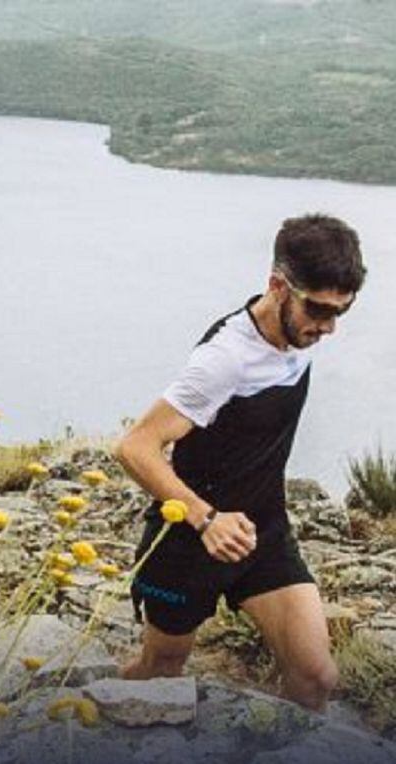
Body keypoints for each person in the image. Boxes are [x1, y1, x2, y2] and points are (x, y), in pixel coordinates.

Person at [114, 214, 365, 712]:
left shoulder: (300, 332)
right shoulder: (225, 359)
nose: (328, 328)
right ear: (277, 285)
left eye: (342, 312)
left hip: (263, 530)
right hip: (189, 537)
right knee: (160, 672)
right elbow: (135, 447)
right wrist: (205, 519)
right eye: (318, 309)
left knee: (315, 679)